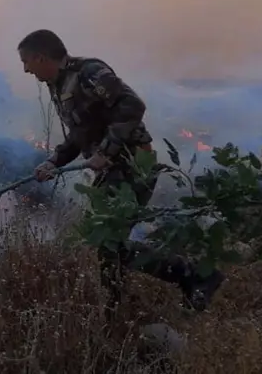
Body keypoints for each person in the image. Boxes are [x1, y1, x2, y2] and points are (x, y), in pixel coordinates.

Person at [17, 29, 225, 319]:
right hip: (116, 167)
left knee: (109, 241)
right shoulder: (59, 84)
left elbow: (133, 105)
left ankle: (188, 278)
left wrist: (108, 150)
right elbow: (79, 135)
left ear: (41, 57)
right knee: (108, 242)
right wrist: (55, 162)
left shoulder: (89, 72)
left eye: (27, 62)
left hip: (133, 162)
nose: (26, 69)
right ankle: (120, 306)